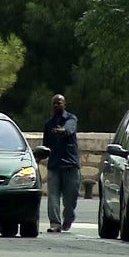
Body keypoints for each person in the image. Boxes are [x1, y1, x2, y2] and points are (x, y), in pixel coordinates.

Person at [43, 94, 81, 233]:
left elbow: (69, 129)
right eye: (54, 103)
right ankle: (55, 223)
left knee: (70, 199)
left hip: (70, 165)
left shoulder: (71, 119)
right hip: (54, 165)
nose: (57, 105)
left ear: (65, 104)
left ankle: (68, 218)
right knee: (52, 196)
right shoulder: (48, 124)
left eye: (59, 103)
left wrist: (62, 131)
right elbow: (46, 145)